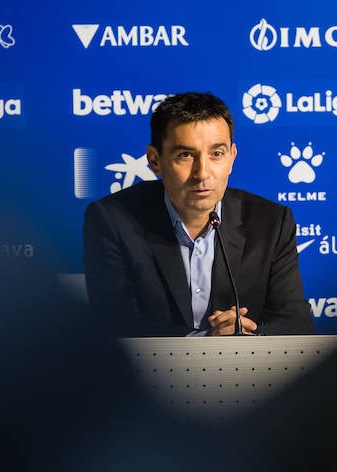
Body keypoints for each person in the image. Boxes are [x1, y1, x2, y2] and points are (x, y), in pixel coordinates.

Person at [82, 91, 316, 337]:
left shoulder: (271, 222)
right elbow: (114, 326)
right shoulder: (112, 220)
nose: (202, 173)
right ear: (154, 160)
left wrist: (250, 340)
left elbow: (297, 323)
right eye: (186, 155)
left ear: (232, 158)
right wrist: (205, 342)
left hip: (246, 373)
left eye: (217, 154)